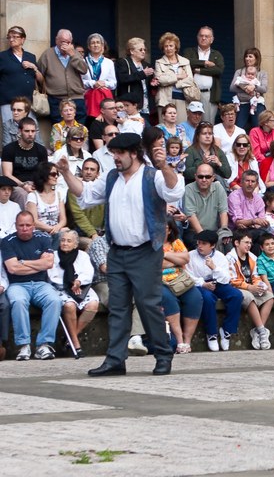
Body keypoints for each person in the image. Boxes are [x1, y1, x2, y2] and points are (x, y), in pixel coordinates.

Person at [57, 131, 185, 377]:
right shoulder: (112, 177)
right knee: (118, 307)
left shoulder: (152, 176)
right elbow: (85, 194)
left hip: (146, 252)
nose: (115, 157)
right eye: (113, 152)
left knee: (148, 305)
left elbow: (174, 192)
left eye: (119, 153)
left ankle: (163, 354)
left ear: (134, 153)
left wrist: (163, 164)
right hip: (117, 252)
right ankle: (115, 360)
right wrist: (65, 173)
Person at [2, 211, 62, 360]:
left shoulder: (43, 238)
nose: (24, 228)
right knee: (18, 301)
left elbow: (48, 263)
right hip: (17, 284)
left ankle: (43, 345)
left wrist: (22, 262)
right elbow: (12, 268)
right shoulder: (7, 241)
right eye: (21, 225)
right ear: (15, 226)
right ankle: (24, 345)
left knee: (54, 300)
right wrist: (37, 264)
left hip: (41, 283)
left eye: (28, 225)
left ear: (34, 226)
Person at [185, 230, 243, 352]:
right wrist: (202, 283)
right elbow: (187, 276)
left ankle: (227, 330)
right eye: (198, 243)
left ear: (212, 245)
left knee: (236, 295)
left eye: (203, 244)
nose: (199, 246)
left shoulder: (220, 257)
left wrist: (214, 268)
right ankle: (211, 334)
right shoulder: (190, 255)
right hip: (199, 285)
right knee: (207, 298)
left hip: (218, 283)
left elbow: (226, 278)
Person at [48, 229, 99, 357]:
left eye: (69, 241)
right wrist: (69, 284)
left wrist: (78, 281)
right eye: (63, 240)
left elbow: (88, 273)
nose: (65, 243)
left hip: (81, 286)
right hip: (60, 287)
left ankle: (70, 337)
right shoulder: (53, 256)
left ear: (75, 244)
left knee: (93, 304)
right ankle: (76, 344)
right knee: (69, 305)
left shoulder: (82, 256)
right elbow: (51, 276)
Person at [160, 218, 202, 354]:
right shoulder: (150, 244)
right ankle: (179, 340)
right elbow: (155, 263)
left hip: (180, 279)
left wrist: (166, 254)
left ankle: (187, 340)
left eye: (164, 228)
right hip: (159, 281)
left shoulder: (177, 242)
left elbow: (186, 259)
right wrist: (175, 260)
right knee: (168, 300)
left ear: (170, 230)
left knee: (195, 297)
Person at [226, 231, 273, 350]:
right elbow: (231, 280)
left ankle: (257, 331)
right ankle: (262, 332)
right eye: (246, 242)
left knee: (270, 297)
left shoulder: (252, 257)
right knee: (249, 297)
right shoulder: (229, 258)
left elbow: (256, 276)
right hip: (238, 288)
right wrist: (249, 287)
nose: (249, 245)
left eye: (250, 243)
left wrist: (259, 285)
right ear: (236, 243)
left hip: (251, 286)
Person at [38, 29, 88, 124]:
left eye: (68, 42)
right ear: (56, 40)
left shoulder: (75, 53)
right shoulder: (48, 54)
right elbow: (40, 74)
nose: (65, 45)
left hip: (76, 97)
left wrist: (73, 55)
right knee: (60, 129)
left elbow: (84, 70)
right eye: (62, 42)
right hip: (56, 99)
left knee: (79, 128)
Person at [2, 117, 48, 208]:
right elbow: (7, 174)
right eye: (27, 131)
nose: (30, 134)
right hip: (16, 185)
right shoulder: (9, 149)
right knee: (22, 194)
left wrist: (37, 184)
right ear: (20, 131)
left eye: (33, 131)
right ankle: (26, 221)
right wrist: (24, 185)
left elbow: (44, 172)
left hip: (36, 183)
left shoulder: (41, 150)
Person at [0, 26, 41, 126]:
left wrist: (34, 67)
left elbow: (41, 80)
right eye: (9, 37)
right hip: (9, 102)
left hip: (28, 103)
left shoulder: (31, 56)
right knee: (10, 132)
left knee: (31, 132)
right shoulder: (2, 56)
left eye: (15, 37)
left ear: (22, 39)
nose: (11, 39)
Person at [182, 26, 225, 123]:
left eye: (206, 36)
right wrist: (205, 63)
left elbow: (218, 70)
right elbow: (187, 62)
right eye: (201, 35)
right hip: (191, 94)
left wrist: (199, 70)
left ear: (212, 39)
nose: (203, 38)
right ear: (197, 37)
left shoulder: (216, 55)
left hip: (209, 95)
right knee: (189, 122)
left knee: (207, 124)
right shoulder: (189, 51)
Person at [182, 163, 228, 248]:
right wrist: (204, 237)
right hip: (195, 232)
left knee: (227, 243)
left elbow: (223, 212)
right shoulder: (188, 189)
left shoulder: (218, 187)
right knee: (203, 248)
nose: (204, 179)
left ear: (213, 177)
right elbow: (191, 216)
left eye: (207, 177)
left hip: (215, 231)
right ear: (195, 177)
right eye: (200, 176)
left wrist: (224, 231)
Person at [155, 32, 195, 123]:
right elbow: (160, 80)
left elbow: (190, 80)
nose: (168, 48)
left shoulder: (185, 61)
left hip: (182, 98)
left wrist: (174, 83)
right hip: (164, 99)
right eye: (166, 46)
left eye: (171, 46)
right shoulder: (159, 62)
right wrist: (178, 76)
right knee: (165, 128)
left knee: (181, 127)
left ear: (176, 47)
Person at [115, 37, 156, 124]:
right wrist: (142, 74)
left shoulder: (146, 65)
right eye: (140, 49)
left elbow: (147, 85)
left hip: (145, 106)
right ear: (132, 51)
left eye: (144, 49)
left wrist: (153, 83)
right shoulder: (123, 62)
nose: (143, 52)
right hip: (129, 105)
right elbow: (123, 79)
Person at [26, 162, 67, 249]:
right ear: (43, 175)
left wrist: (56, 228)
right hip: (39, 232)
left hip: (56, 231)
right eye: (53, 174)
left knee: (68, 234)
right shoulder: (33, 196)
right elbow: (34, 221)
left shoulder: (59, 195)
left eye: (57, 174)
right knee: (48, 237)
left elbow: (63, 219)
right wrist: (51, 229)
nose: (56, 177)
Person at [66, 157, 104, 243]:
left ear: (97, 174)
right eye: (86, 169)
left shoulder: (102, 189)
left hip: (100, 231)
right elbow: (78, 215)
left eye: (92, 169)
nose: (88, 172)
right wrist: (93, 234)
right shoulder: (73, 189)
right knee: (92, 245)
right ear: (81, 171)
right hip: (78, 232)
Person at [82, 33, 117, 123]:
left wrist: (104, 83)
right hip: (88, 97)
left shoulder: (109, 62)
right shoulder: (83, 61)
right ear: (89, 46)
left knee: (105, 122)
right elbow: (79, 82)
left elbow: (114, 83)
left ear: (102, 46)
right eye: (92, 43)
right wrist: (92, 83)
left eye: (98, 42)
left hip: (104, 97)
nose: (95, 45)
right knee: (91, 121)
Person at [231, 47, 268, 130]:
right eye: (246, 56)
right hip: (242, 104)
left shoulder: (262, 73)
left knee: (258, 128)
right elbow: (232, 88)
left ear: (256, 58)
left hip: (257, 104)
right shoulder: (239, 72)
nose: (247, 58)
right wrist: (245, 88)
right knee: (239, 127)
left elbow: (264, 89)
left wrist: (254, 87)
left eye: (250, 56)